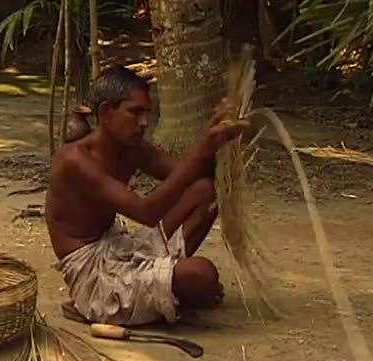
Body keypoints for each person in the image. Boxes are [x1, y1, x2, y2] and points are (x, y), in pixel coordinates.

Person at [45, 65, 250, 326]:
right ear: (106, 112)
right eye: (135, 112)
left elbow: (193, 176)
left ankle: (167, 286)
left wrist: (219, 135)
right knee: (202, 273)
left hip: (119, 248)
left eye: (146, 114)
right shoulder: (74, 160)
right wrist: (202, 149)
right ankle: (99, 305)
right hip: (93, 273)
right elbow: (146, 212)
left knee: (204, 192)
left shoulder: (133, 147)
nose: (143, 123)